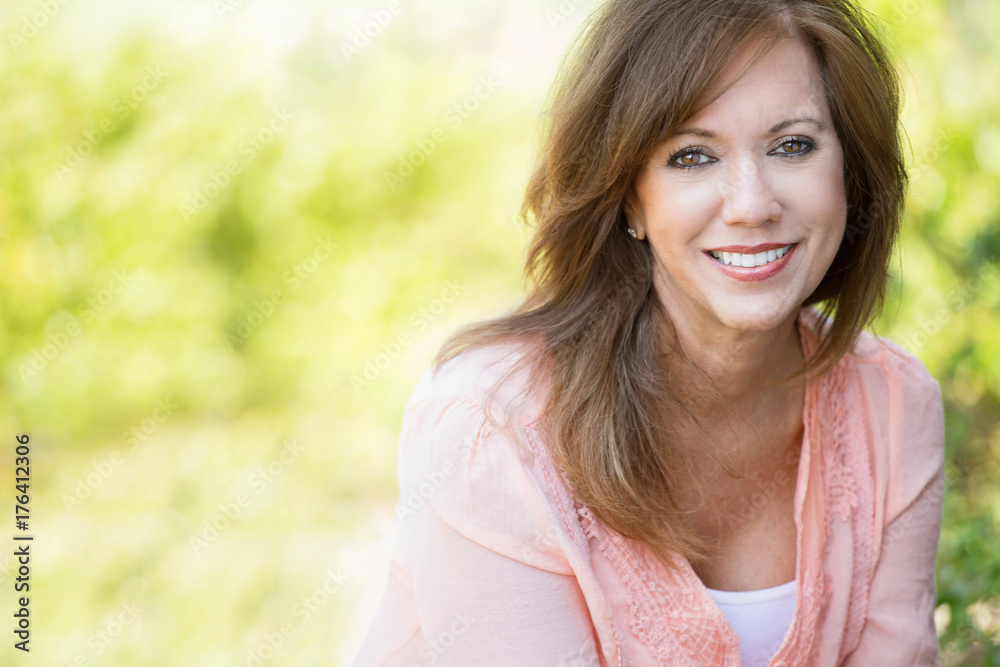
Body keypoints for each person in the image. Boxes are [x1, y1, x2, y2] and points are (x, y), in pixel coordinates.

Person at [351, 0, 945, 664]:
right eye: (692, 156)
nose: (751, 204)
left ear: (849, 174)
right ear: (630, 195)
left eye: (792, 145)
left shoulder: (891, 404)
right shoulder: (492, 428)